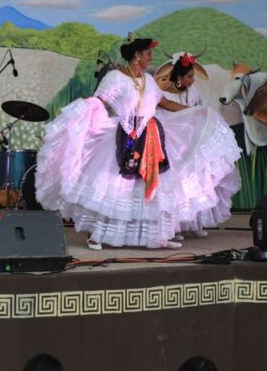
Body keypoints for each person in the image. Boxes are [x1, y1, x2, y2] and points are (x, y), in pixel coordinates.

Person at [37, 34, 188, 250]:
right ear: (137, 56)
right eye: (148, 54)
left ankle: (155, 236)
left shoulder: (150, 81)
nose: (150, 58)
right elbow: (99, 101)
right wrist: (79, 116)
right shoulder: (116, 78)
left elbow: (165, 104)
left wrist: (197, 112)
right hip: (123, 137)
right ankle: (97, 235)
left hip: (150, 139)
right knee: (112, 185)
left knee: (146, 186)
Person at [156, 52, 242, 239]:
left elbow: (203, 111)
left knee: (197, 180)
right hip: (173, 144)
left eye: (193, 76)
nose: (192, 80)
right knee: (177, 184)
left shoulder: (193, 92)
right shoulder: (163, 94)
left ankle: (195, 222)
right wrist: (193, 112)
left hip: (191, 142)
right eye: (189, 77)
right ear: (178, 77)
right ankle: (176, 226)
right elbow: (165, 113)